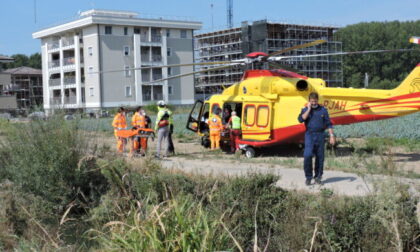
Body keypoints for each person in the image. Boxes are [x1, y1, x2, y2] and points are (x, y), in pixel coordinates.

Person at [298, 92, 335, 185]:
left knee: (320, 157)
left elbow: (329, 124)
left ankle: (318, 176)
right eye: (312, 101)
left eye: (315, 101)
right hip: (309, 135)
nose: (314, 103)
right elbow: (301, 119)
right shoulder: (305, 109)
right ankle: (308, 177)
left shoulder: (323, 110)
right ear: (309, 101)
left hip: (320, 135)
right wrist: (309, 109)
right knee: (307, 155)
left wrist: (331, 136)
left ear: (318, 100)